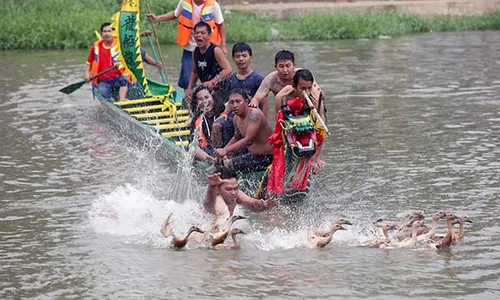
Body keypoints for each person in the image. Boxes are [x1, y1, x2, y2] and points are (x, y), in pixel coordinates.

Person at [147, 0, 227, 91]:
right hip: (190, 47)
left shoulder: (213, 5)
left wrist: (223, 46)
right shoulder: (184, 2)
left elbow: (221, 25)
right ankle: (190, 99)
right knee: (186, 80)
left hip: (208, 49)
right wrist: (157, 18)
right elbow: (175, 14)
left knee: (212, 77)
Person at [212, 42, 265, 148]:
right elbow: (230, 102)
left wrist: (263, 121)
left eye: (244, 56)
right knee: (216, 125)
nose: (241, 59)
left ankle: (232, 154)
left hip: (251, 118)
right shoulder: (231, 79)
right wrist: (225, 114)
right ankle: (217, 154)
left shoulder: (258, 79)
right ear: (233, 59)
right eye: (237, 56)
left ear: (250, 57)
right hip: (234, 117)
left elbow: (264, 102)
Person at [249, 50, 325, 121]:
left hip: (309, 108)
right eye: (281, 66)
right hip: (285, 110)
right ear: (276, 67)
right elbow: (256, 99)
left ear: (294, 65)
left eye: (288, 66)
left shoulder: (303, 75)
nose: (285, 70)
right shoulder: (271, 79)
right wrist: (253, 109)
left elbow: (321, 95)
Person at [274, 69, 326, 173]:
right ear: (294, 86)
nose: (306, 92)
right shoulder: (283, 96)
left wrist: (316, 158)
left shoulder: (315, 99)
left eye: (309, 88)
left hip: (310, 124)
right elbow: (280, 125)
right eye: (302, 88)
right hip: (290, 124)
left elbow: (321, 129)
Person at [214, 89, 273, 174]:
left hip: (268, 157)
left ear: (246, 102)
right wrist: (223, 151)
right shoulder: (236, 118)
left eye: (238, 101)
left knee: (227, 167)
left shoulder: (254, 114)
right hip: (253, 155)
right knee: (221, 165)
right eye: (231, 102)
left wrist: (226, 150)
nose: (235, 105)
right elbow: (237, 137)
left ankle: (232, 186)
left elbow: (248, 140)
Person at [186, 21, 232, 105]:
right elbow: (195, 72)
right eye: (197, 33)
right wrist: (189, 88)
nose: (199, 35)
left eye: (203, 33)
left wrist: (213, 82)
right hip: (206, 90)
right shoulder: (195, 52)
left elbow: (228, 69)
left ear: (209, 35)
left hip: (221, 89)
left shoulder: (216, 50)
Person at [85, 22, 129, 101]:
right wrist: (87, 74)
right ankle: (111, 102)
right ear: (101, 34)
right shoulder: (96, 47)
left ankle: (122, 99)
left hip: (117, 77)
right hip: (104, 80)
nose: (107, 34)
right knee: (103, 92)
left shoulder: (119, 45)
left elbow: (131, 40)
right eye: (105, 31)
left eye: (109, 31)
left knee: (125, 80)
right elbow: (89, 62)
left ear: (113, 33)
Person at [203, 171, 279, 218]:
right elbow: (208, 205)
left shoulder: (237, 194)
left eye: (235, 188)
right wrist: (211, 186)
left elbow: (253, 204)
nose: (233, 193)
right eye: (228, 189)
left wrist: (264, 204)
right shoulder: (214, 194)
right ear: (218, 189)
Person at [189, 86, 224, 162]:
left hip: (225, 150)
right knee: (191, 147)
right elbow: (193, 142)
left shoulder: (224, 113)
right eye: (200, 99)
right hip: (208, 152)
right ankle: (211, 160)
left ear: (213, 98)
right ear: (197, 103)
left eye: (207, 97)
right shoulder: (197, 119)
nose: (204, 101)